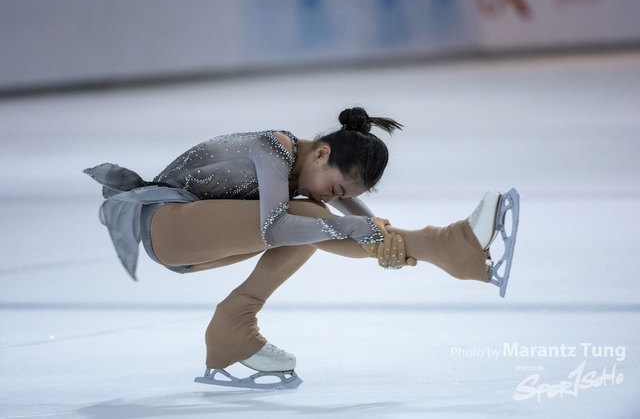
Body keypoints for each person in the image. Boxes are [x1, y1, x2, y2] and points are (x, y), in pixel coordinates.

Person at [84, 107, 517, 389]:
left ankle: (231, 327)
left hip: (192, 235)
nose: (332, 196)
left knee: (311, 220)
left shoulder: (311, 167)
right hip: (167, 225)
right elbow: (275, 228)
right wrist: (368, 233)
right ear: (321, 154)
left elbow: (351, 218)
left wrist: (385, 243)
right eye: (335, 188)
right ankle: (450, 245)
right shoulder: (274, 148)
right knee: (305, 218)